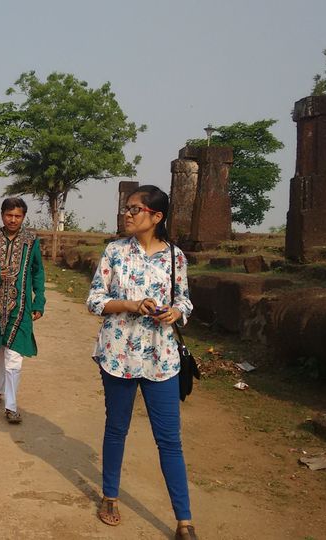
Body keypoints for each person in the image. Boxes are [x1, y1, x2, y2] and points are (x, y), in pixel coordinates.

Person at [85, 185, 197, 539]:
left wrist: (175, 312)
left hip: (160, 359)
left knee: (169, 440)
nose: (128, 214)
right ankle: (110, 496)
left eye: (135, 209)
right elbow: (94, 300)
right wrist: (132, 305)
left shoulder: (176, 257)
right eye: (127, 209)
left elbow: (186, 303)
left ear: (156, 216)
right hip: (118, 356)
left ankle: (184, 520)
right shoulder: (115, 252)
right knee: (116, 428)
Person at [0, 198, 45, 424]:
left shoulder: (31, 242)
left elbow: (38, 273)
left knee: (14, 358)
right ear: (2, 215)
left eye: (18, 216)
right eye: (9, 215)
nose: (13, 220)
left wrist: (39, 301)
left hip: (20, 309)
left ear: (23, 217)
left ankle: (11, 406)